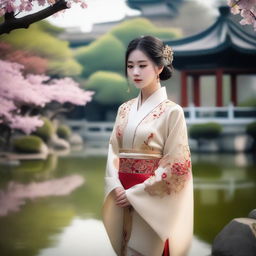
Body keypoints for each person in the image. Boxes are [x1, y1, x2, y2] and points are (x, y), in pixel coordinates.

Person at [102, 35, 193, 256]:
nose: (135, 72)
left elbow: (177, 165)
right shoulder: (124, 109)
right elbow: (113, 150)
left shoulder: (172, 111)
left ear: (159, 67)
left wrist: (137, 193)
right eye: (130, 66)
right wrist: (114, 184)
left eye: (142, 66)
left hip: (151, 196)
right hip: (121, 191)